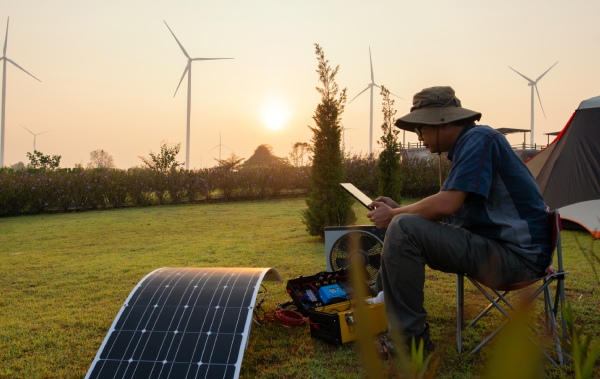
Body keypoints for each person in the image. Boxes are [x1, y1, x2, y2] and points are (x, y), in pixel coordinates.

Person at [367, 86, 551, 353]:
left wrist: (395, 214)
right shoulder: (472, 143)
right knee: (403, 225)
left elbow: (446, 204)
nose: (419, 137)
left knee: (403, 227)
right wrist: (401, 210)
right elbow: (454, 211)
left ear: (443, 122)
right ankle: (376, 299)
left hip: (515, 260)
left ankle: (408, 341)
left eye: (422, 128)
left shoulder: (479, 140)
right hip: (500, 250)